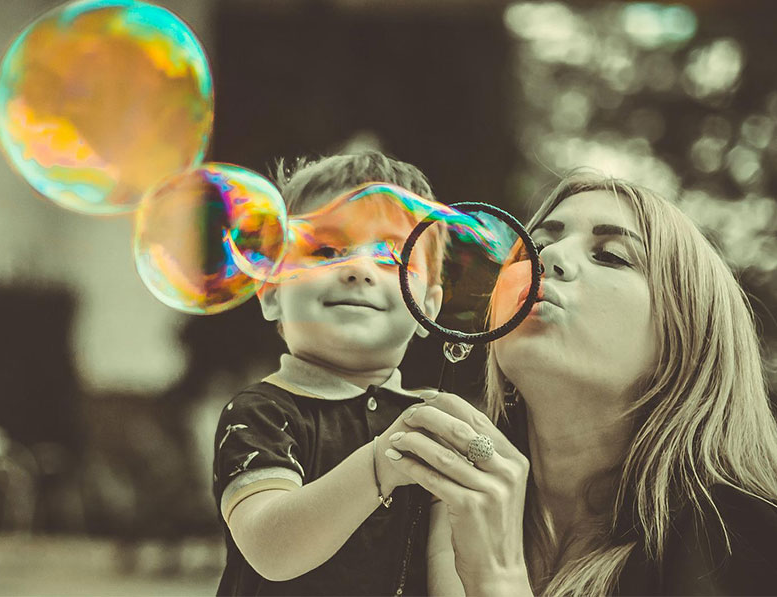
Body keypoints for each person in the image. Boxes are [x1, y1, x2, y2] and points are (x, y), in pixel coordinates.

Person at [384, 173, 777, 596]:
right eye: (533, 246)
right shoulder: (411, 496)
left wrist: (496, 579)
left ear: (685, 339)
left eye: (610, 256)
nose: (548, 257)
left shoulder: (743, 545)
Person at [212, 151, 457, 596]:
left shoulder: (433, 422)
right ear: (270, 295)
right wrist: (382, 461)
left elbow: (446, 570)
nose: (358, 270)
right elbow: (272, 549)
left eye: (389, 254)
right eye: (326, 250)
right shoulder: (261, 413)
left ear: (429, 310)